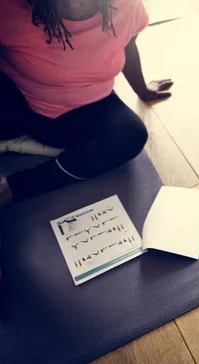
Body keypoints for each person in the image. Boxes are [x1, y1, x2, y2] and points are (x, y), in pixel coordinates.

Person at [0, 0, 173, 278]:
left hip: (88, 108)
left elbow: (128, 45)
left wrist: (142, 90)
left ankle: (11, 187)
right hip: (21, 106)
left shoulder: (125, 6)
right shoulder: (9, 8)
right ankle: (25, 142)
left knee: (131, 135)